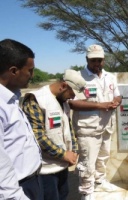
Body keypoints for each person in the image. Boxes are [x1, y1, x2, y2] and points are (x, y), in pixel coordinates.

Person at [22, 69, 86, 200]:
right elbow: (38, 136)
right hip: (45, 170)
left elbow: (68, 128)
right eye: (72, 93)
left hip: (62, 166)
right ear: (63, 86)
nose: (73, 98)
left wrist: (73, 151)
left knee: (63, 195)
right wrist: (64, 154)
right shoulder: (36, 100)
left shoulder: (63, 102)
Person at [68, 44, 122, 200]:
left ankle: (99, 181)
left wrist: (116, 102)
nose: (96, 64)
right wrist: (101, 105)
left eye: (99, 60)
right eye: (93, 60)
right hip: (87, 128)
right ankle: (86, 192)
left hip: (106, 125)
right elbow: (72, 103)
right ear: (87, 59)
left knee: (103, 157)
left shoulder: (110, 77)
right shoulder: (79, 77)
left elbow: (117, 95)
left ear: (104, 60)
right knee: (87, 162)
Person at [0, 39, 42, 200]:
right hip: (18, 189)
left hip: (32, 181)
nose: (32, 75)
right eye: (30, 70)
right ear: (13, 71)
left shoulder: (12, 97)